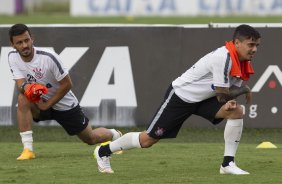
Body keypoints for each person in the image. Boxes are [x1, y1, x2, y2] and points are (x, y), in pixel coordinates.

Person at [94, 24, 261, 174]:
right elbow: (223, 94)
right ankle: (103, 152)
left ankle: (228, 164)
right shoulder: (222, 57)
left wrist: (229, 103)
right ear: (237, 43)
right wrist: (243, 90)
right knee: (147, 140)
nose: (254, 49)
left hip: (204, 99)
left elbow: (225, 93)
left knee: (236, 111)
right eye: (251, 44)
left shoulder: (242, 61)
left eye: (256, 45)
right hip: (181, 96)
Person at [8, 23, 122, 161]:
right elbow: (20, 84)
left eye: (26, 40)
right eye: (19, 42)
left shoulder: (49, 58)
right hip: (41, 102)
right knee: (22, 99)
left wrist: (48, 104)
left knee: (90, 138)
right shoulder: (12, 57)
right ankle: (28, 150)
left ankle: (114, 135)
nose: (24, 45)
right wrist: (28, 88)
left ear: (32, 39)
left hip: (64, 104)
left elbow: (67, 84)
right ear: (13, 45)